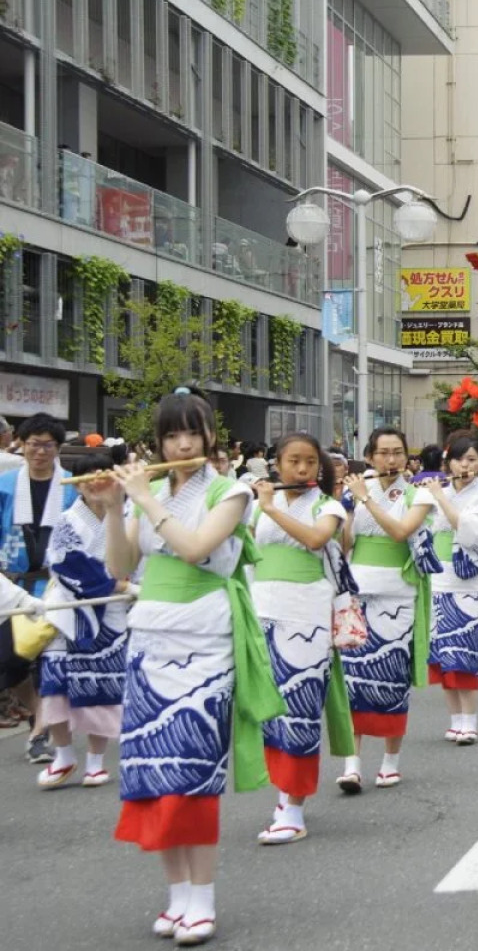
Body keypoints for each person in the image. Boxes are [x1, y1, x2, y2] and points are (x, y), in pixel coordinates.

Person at [105, 391, 285, 946]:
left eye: (192, 433)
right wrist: (115, 506)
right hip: (150, 639)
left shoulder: (229, 492)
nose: (181, 444)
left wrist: (144, 500)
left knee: (192, 771)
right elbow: (121, 567)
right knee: (151, 773)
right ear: (157, 442)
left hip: (205, 640)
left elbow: (193, 548)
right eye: (171, 435)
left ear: (209, 436)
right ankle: (176, 894)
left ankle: (202, 896)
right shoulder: (150, 491)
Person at [248, 433, 348, 845]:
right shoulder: (255, 506)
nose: (303, 469)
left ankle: (294, 806)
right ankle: (282, 796)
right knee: (269, 709)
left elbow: (315, 540)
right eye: (293, 461)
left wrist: (269, 507)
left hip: (307, 615)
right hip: (262, 611)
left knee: (301, 707)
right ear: (277, 464)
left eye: (310, 462)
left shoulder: (328, 506)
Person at [338, 428, 435, 791]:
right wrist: (347, 509)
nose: (390, 460)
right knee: (352, 679)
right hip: (359, 592)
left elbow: (400, 532)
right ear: (370, 456)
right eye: (383, 453)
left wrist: (366, 500)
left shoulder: (418, 494)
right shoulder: (355, 492)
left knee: (392, 680)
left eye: (396, 452)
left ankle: (391, 761)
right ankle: (351, 763)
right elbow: (346, 543)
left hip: (397, 596)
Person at [35, 444, 131, 790]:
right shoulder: (69, 520)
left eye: (103, 478)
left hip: (113, 612)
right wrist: (113, 583)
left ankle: (95, 761)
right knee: (56, 686)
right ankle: (63, 755)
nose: (96, 485)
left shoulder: (128, 513)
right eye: (88, 480)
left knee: (102, 687)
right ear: (77, 484)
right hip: (71, 612)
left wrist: (128, 585)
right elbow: (63, 562)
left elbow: (139, 556)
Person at [0, 412, 77, 764]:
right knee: (11, 661)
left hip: (57, 584)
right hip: (12, 585)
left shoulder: (72, 486)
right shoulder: (5, 485)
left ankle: (40, 734)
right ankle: (36, 715)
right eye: (33, 444)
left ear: (58, 448)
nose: (40, 452)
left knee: (51, 663)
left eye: (47, 445)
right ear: (22, 444)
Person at [420, 435, 478, 743]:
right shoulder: (433, 492)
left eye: (471, 460)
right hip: (438, 582)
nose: (465, 466)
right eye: (459, 459)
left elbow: (471, 533)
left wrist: (440, 497)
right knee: (441, 658)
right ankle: (454, 720)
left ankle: (470, 720)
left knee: (463, 652)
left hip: (468, 584)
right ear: (447, 462)